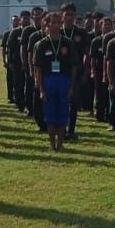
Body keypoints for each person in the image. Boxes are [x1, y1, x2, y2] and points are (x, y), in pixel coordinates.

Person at [34, 16, 77, 151]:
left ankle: (61, 144)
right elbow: (38, 68)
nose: (56, 25)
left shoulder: (68, 43)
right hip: (49, 80)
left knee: (63, 113)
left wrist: (71, 86)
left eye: (59, 23)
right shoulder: (41, 44)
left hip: (64, 80)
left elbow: (74, 66)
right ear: (47, 24)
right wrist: (41, 89)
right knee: (50, 114)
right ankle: (52, 144)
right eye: (53, 23)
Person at [58, 3, 92, 141]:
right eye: (67, 15)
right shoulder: (57, 32)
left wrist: (84, 72)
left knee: (73, 103)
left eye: (72, 15)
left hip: (76, 74)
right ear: (62, 16)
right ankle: (61, 130)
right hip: (59, 73)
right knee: (61, 103)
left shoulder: (81, 32)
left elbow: (87, 53)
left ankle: (71, 131)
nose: (70, 18)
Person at [6, 11, 31, 112]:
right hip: (17, 63)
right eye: (24, 18)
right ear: (20, 19)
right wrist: (10, 62)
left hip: (29, 63)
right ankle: (19, 104)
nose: (26, 20)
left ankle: (29, 104)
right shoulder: (15, 32)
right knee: (18, 84)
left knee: (29, 85)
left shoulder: (31, 31)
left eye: (27, 18)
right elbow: (10, 48)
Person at [89, 16, 111, 123]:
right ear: (100, 26)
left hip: (111, 71)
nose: (106, 27)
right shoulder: (95, 41)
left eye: (108, 25)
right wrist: (92, 71)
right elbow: (92, 58)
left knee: (109, 93)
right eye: (104, 25)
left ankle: (109, 115)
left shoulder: (113, 40)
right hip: (98, 71)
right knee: (99, 94)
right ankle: (99, 115)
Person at [1, 15, 19, 103]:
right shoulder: (7, 33)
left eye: (17, 20)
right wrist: (4, 60)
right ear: (11, 22)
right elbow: (4, 48)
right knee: (10, 79)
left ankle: (17, 96)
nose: (15, 22)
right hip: (10, 60)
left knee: (18, 80)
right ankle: (10, 97)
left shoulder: (21, 32)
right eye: (14, 20)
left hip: (18, 60)